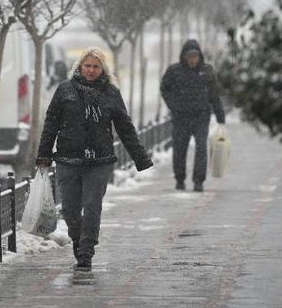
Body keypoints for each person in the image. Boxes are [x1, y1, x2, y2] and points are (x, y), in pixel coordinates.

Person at [37, 47, 153, 270]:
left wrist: (140, 158)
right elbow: (51, 123)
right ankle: (79, 241)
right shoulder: (65, 90)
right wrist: (43, 154)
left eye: (96, 66)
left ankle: (86, 252)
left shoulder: (110, 93)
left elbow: (124, 127)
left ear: (103, 69)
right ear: (80, 66)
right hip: (67, 160)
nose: (91, 70)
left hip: (99, 161)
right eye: (87, 66)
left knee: (92, 207)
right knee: (70, 210)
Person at [160, 39, 226, 192]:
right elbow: (165, 88)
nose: (192, 59)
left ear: (199, 56)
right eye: (189, 56)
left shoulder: (207, 71)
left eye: (195, 56)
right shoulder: (174, 71)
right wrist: (173, 105)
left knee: (201, 148)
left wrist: (220, 116)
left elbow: (214, 95)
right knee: (179, 149)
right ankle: (180, 179)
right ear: (184, 56)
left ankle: (198, 181)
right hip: (181, 118)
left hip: (201, 117)